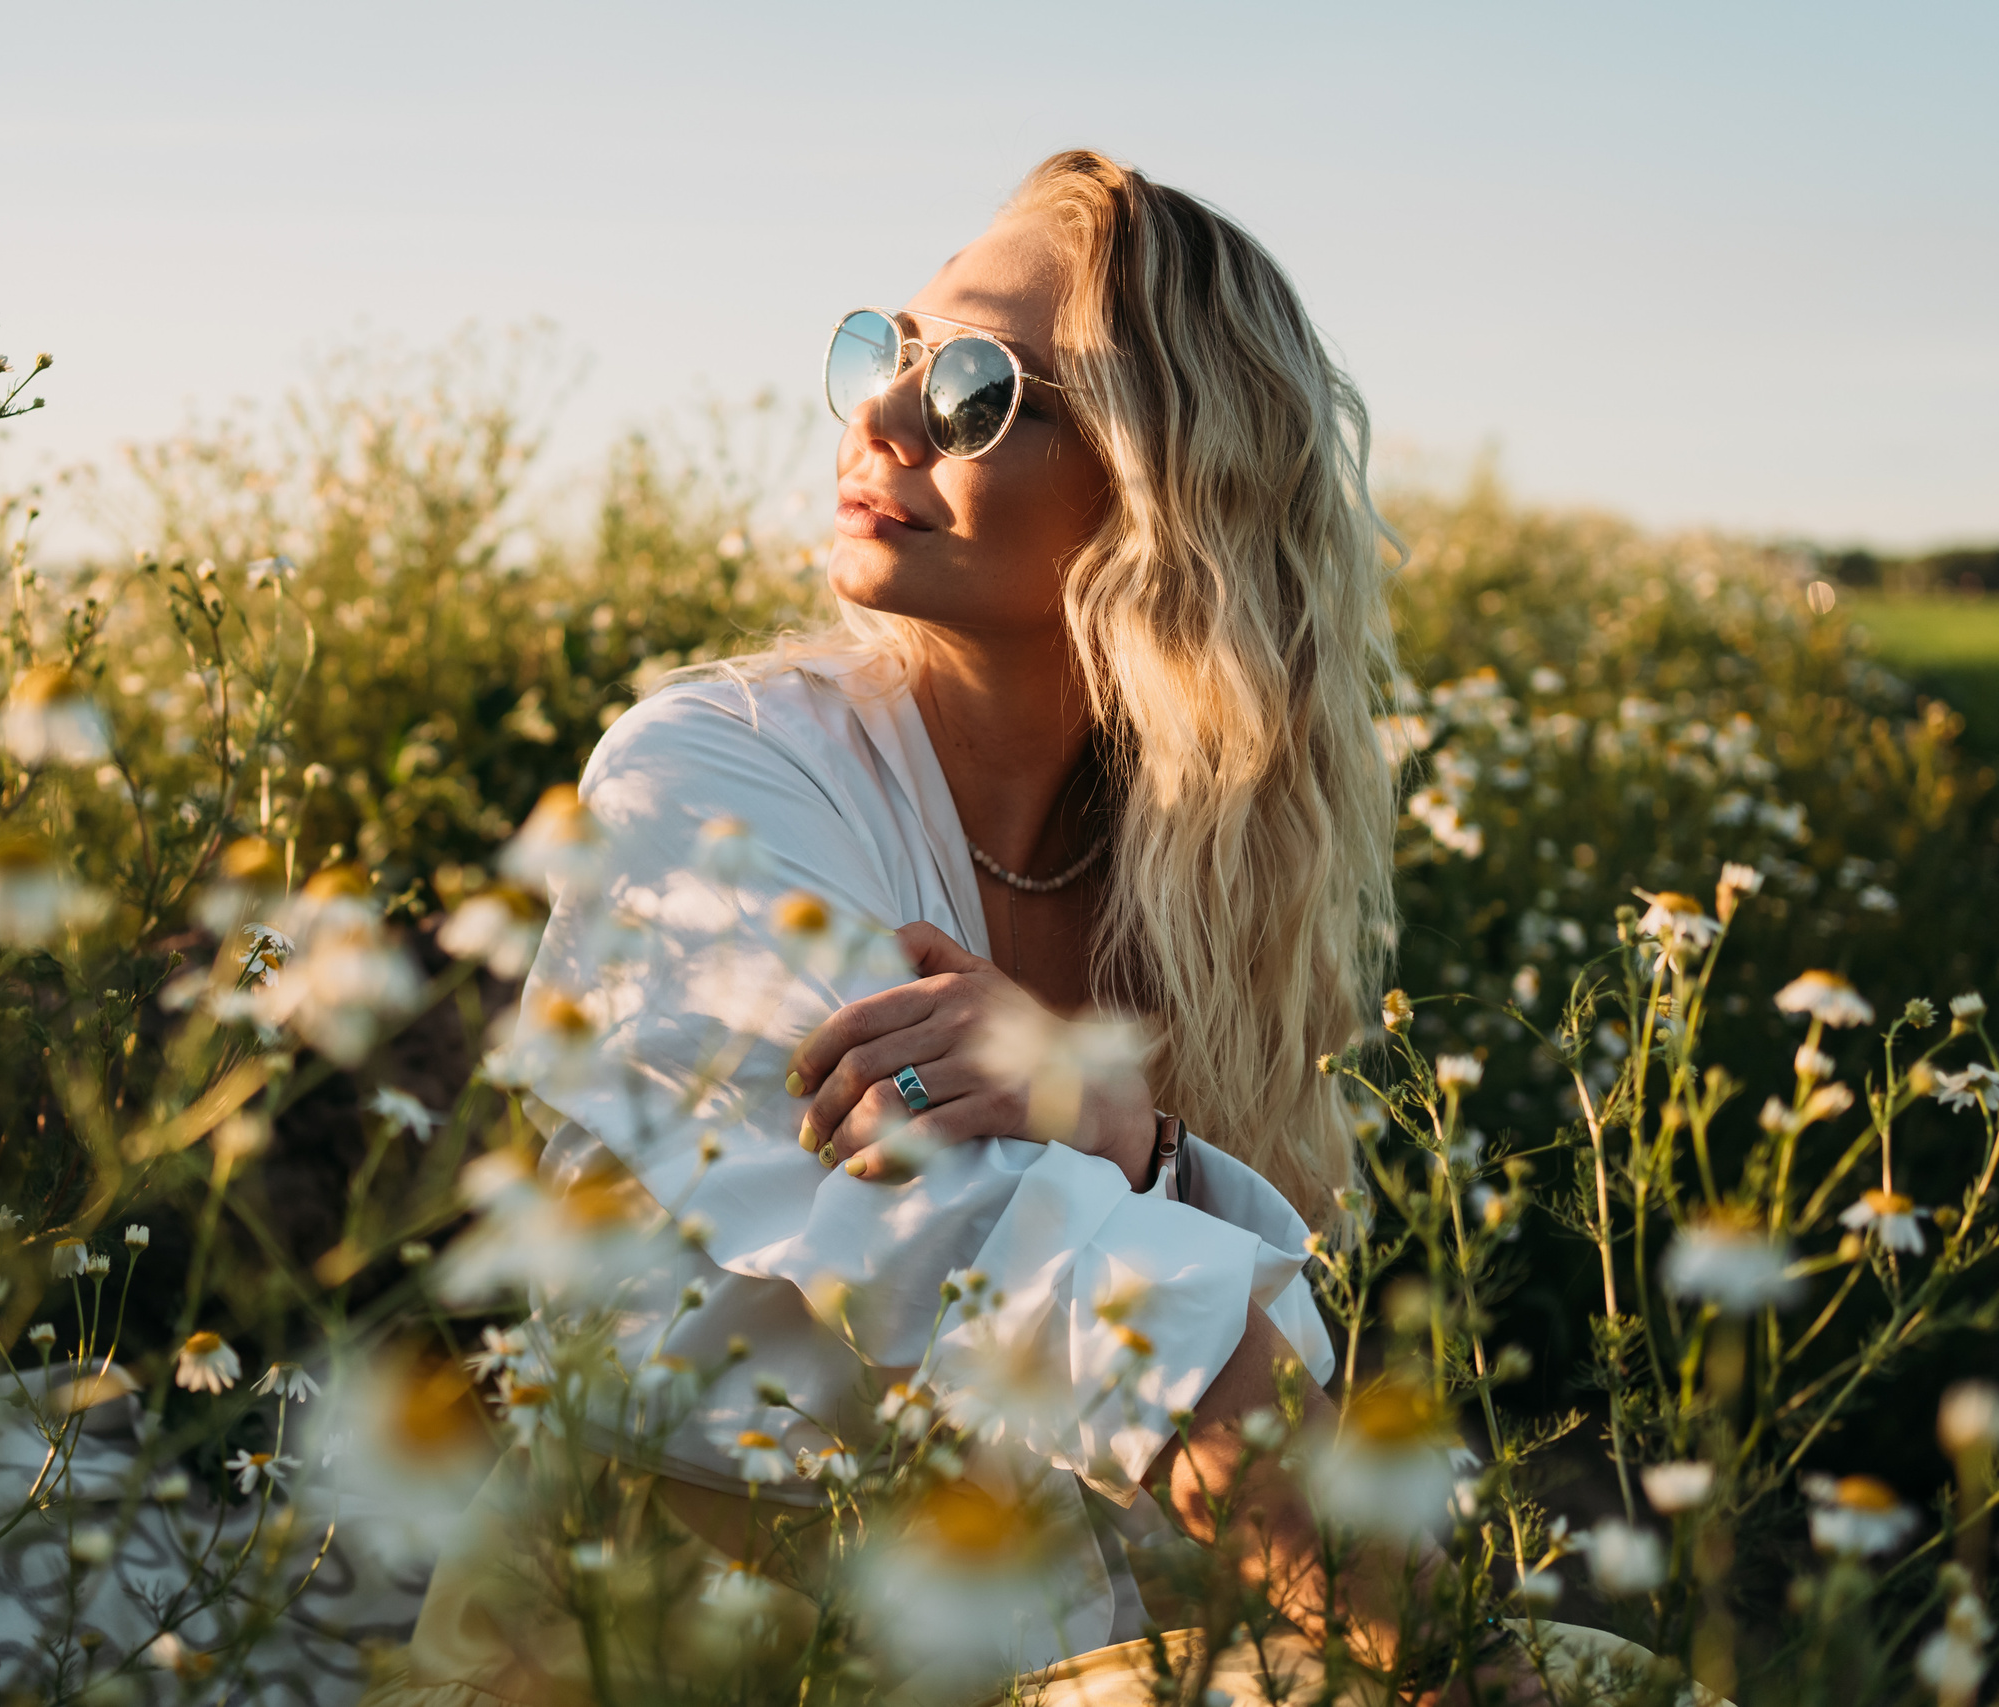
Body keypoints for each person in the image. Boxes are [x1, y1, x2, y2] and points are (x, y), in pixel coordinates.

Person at [366, 149, 1563, 1707]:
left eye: (983, 389)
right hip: (653, 1640)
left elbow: (1244, 1326)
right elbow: (1019, 1260)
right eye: (892, 350)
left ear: (1162, 495)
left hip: (1064, 1628)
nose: (884, 415)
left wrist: (1131, 1141)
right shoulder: (711, 780)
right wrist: (1436, 1651)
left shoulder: (1192, 873)